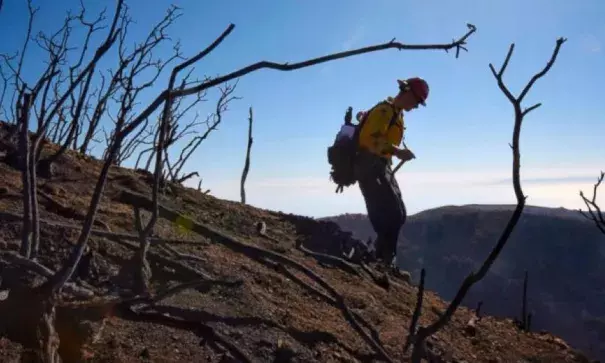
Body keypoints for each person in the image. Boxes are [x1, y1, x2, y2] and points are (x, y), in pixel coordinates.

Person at [353, 77, 429, 288]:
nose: (416, 107)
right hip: (370, 166)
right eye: (417, 101)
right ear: (408, 93)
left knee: (398, 213)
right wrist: (398, 151)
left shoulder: (395, 114)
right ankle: (383, 264)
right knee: (391, 215)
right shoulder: (385, 111)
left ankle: (385, 262)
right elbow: (369, 140)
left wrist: (395, 152)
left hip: (380, 165)